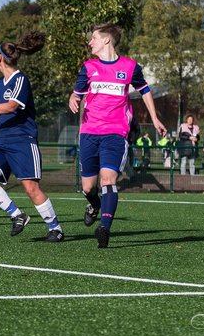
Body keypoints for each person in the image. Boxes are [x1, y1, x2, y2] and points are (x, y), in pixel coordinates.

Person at [68, 23, 167, 248]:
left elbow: (145, 91)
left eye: (93, 38)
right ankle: (93, 205)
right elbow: (76, 93)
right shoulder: (88, 67)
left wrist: (154, 118)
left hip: (115, 133)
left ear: (106, 40)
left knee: (108, 179)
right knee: (87, 187)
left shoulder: (130, 67)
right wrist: (73, 99)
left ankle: (104, 228)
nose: (90, 42)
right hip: (89, 133)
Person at [0, 32, 63, 241]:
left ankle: (56, 229)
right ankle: (18, 215)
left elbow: (11, 106)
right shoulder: (0, 83)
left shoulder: (20, 79)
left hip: (22, 140)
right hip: (2, 141)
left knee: (31, 188)